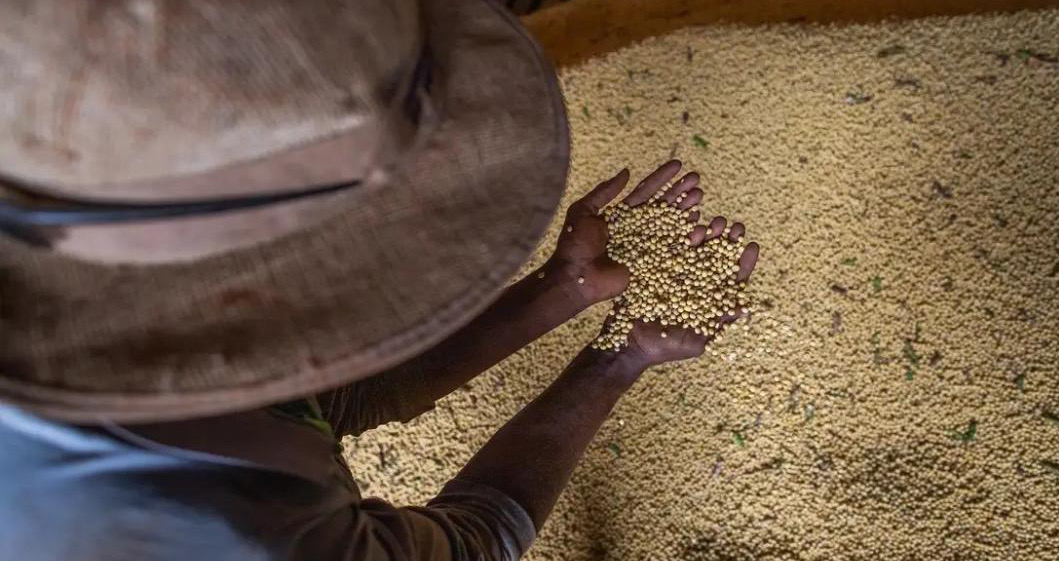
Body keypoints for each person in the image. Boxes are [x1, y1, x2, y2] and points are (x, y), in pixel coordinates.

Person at [0, 0, 759, 559]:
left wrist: (563, 289)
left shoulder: (53, 125)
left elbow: (318, 399)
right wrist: (617, 359)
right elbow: (475, 538)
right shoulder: (228, 525)